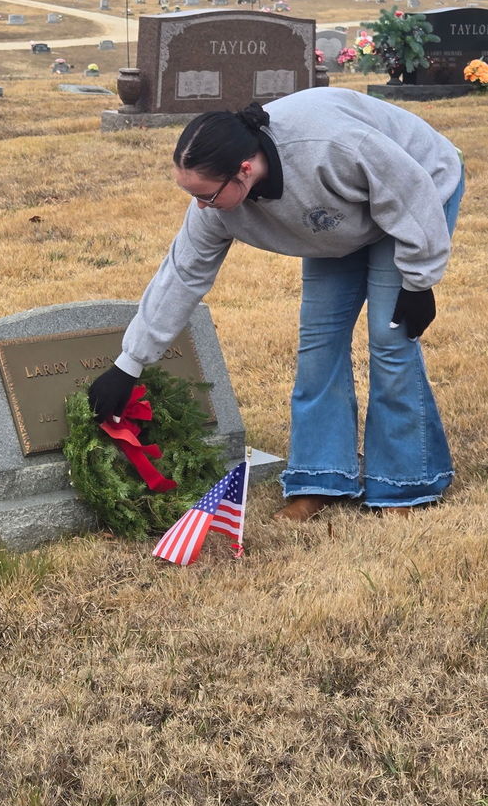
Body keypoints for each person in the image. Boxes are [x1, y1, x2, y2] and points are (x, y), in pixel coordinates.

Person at [88, 88, 465, 521]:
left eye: (207, 195)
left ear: (244, 171)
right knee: (318, 344)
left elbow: (409, 193)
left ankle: (405, 485)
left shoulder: (331, 145)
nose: (200, 206)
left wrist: (419, 282)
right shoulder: (215, 207)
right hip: (336, 224)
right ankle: (320, 479)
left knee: (390, 337)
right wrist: (129, 363)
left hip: (415, 190)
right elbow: (182, 274)